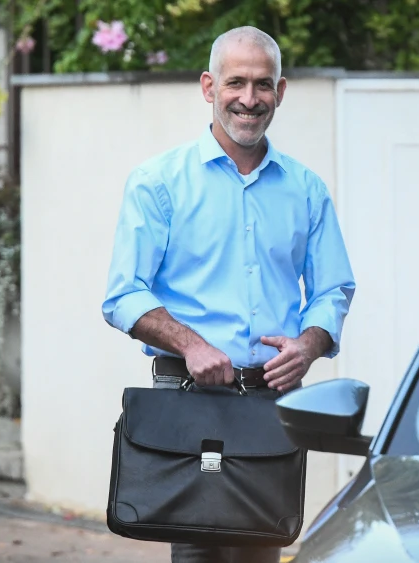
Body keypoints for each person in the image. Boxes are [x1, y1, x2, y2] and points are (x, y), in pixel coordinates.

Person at [101, 25, 356, 563]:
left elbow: (333, 287)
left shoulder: (306, 189)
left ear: (280, 92)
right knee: (195, 551)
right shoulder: (158, 182)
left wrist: (308, 345)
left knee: (261, 551)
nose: (249, 98)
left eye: (263, 84)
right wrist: (191, 344)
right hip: (187, 399)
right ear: (208, 87)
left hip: (269, 403)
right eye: (236, 82)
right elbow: (123, 295)